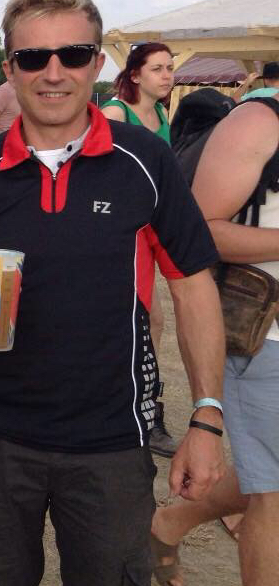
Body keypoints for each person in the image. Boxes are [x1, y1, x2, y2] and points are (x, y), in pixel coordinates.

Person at [0, 0, 225, 586]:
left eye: (72, 54)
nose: (53, 72)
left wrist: (206, 416)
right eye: (33, 57)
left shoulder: (144, 161)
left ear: (97, 64)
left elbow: (193, 287)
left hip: (111, 441)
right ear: (9, 69)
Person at [149, 94, 279, 586]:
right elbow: (200, 230)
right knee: (274, 493)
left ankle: (172, 520)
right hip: (267, 335)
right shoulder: (260, 121)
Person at [102, 42, 180, 456]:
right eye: (157, 69)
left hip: (151, 227)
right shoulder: (116, 114)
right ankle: (137, 409)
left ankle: (142, 403)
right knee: (139, 317)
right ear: (135, 75)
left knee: (153, 320)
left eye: (169, 68)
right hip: (121, 230)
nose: (167, 76)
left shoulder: (162, 114)